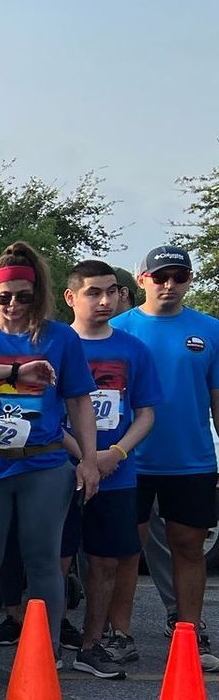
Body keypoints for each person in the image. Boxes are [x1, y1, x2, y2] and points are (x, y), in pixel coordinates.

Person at [0, 243, 98, 686]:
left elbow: (78, 400)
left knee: (44, 562)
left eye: (23, 296)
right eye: (3, 298)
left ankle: (44, 653)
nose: (13, 306)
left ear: (37, 293)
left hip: (43, 464)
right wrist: (18, 373)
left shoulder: (61, 337)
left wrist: (90, 461)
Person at [112, 245, 219, 670]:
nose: (170, 285)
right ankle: (118, 634)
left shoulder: (210, 329)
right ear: (142, 281)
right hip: (128, 459)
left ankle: (188, 631)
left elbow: (216, 401)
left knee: (189, 548)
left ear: (189, 280)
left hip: (190, 459)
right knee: (125, 551)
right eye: (161, 277)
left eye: (179, 276)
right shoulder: (117, 329)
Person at [64, 260, 161, 679]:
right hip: (60, 470)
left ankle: (92, 644)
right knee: (56, 561)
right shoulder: (54, 345)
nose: (105, 300)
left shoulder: (133, 349)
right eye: (93, 292)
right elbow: (45, 414)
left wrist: (114, 454)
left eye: (111, 291)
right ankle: (45, 642)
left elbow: (146, 414)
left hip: (116, 474)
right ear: (71, 297)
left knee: (107, 562)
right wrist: (84, 457)